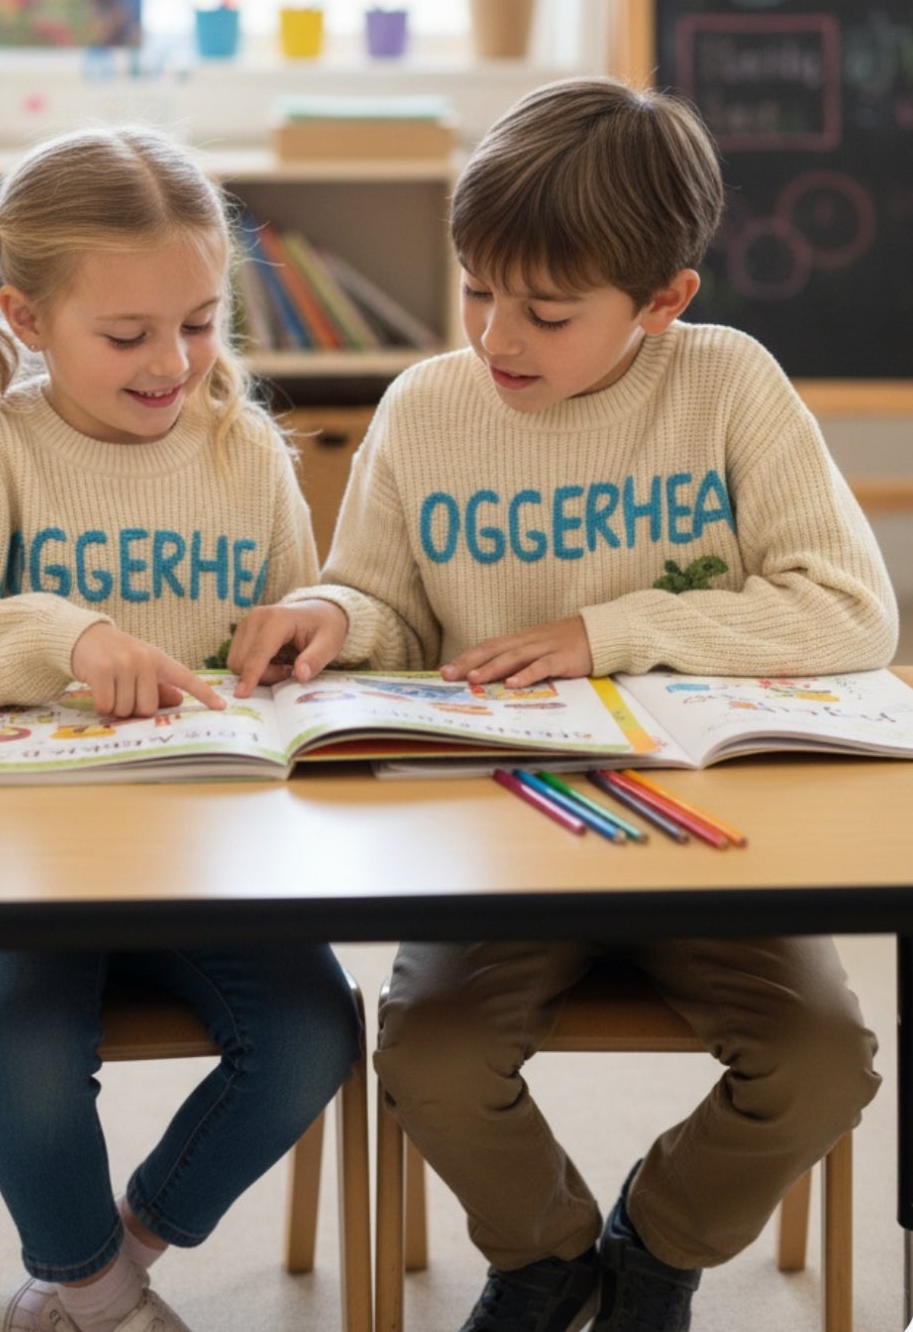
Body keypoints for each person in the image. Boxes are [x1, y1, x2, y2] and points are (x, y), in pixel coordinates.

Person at [226, 78, 897, 1332]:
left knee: (820, 1064)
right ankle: (542, 1257)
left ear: (662, 301)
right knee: (427, 1053)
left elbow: (848, 609)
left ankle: (653, 1242)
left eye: (543, 309)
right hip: (503, 834)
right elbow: (386, 605)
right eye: (476, 288)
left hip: (711, 844)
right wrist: (333, 613)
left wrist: (610, 633)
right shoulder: (427, 407)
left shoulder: (728, 385)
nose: (495, 336)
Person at [0, 125, 362, 1332]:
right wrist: (62, 638)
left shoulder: (243, 452)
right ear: (23, 315)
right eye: (126, 335)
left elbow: (297, 621)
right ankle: (96, 1296)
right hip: (14, 864)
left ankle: (101, 1263)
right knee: (24, 1063)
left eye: (199, 320)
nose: (172, 361)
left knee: (310, 1034)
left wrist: (314, 623)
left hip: (210, 861)